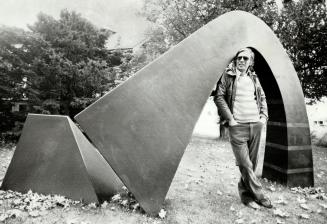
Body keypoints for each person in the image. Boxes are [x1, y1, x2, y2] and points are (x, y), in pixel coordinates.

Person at [214, 47, 272, 209]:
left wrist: (263, 117)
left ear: (251, 62)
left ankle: (246, 197)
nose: (241, 60)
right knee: (244, 164)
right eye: (239, 58)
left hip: (255, 126)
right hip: (237, 127)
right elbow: (219, 97)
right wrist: (231, 119)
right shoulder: (228, 76)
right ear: (235, 60)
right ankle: (260, 195)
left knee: (251, 164)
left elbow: (262, 97)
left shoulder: (254, 78)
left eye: (245, 58)